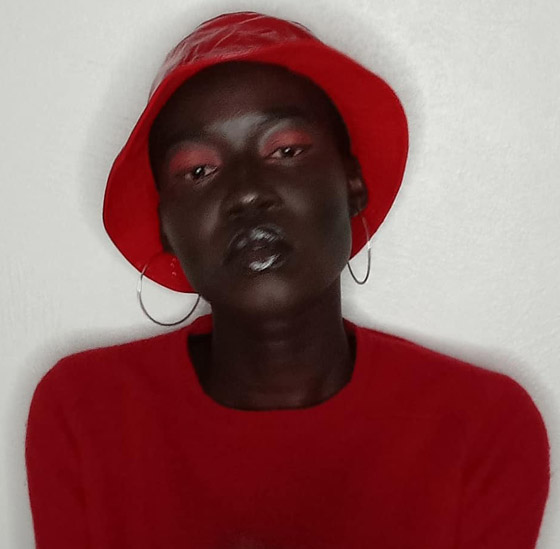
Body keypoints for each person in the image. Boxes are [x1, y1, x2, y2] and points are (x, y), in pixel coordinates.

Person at [25, 11, 550, 549]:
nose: (247, 192)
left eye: (286, 150)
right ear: (166, 227)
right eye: (199, 171)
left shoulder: (482, 427)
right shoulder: (84, 414)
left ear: (352, 183)